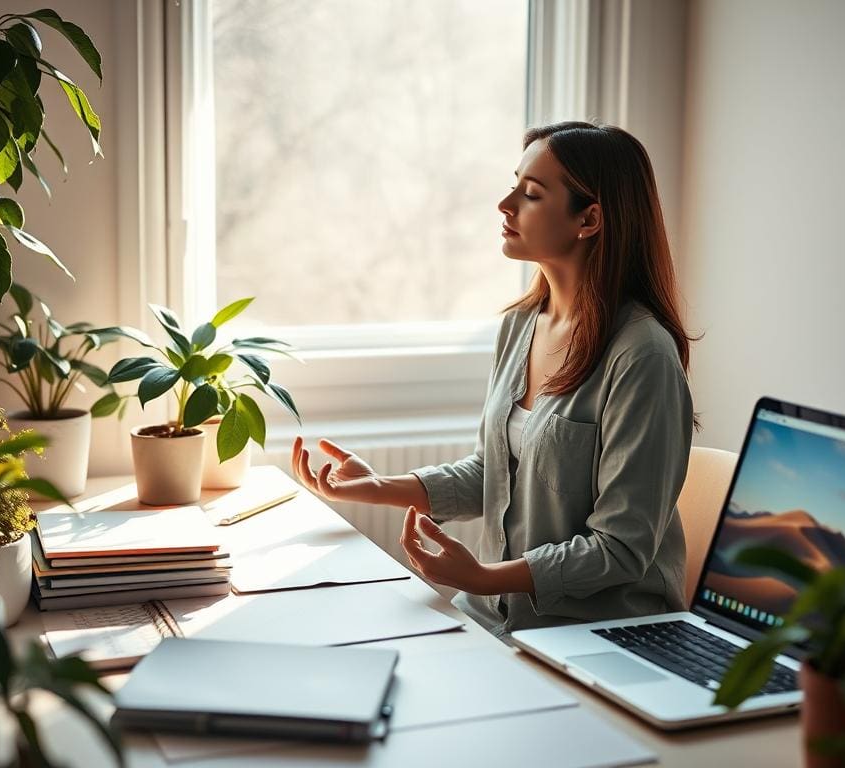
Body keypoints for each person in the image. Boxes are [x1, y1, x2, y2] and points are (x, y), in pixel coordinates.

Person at [292, 121, 694, 639]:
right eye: (514, 185)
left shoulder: (643, 356)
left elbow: (620, 547)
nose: (505, 205)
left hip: (601, 632)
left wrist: (485, 577)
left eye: (530, 193)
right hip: (500, 616)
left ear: (589, 219)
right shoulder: (521, 325)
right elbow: (495, 474)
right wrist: (380, 488)